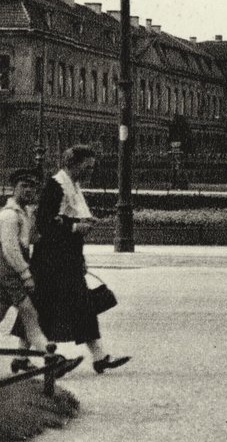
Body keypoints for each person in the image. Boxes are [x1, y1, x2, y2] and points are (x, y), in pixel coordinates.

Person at [26, 146, 130, 374]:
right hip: (51, 260)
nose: (91, 170)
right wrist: (75, 226)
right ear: (73, 163)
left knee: (77, 304)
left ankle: (99, 356)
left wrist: (79, 252)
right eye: (87, 165)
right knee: (43, 307)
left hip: (66, 257)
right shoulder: (56, 186)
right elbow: (44, 222)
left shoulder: (72, 185)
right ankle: (28, 357)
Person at [1, 169, 81, 376]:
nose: (29, 190)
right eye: (23, 186)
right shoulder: (9, 216)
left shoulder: (25, 213)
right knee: (30, 314)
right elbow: (10, 250)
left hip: (11, 273)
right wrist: (26, 274)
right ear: (13, 188)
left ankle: (23, 359)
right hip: (8, 273)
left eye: (33, 187)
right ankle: (52, 359)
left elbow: (33, 240)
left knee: (26, 315)